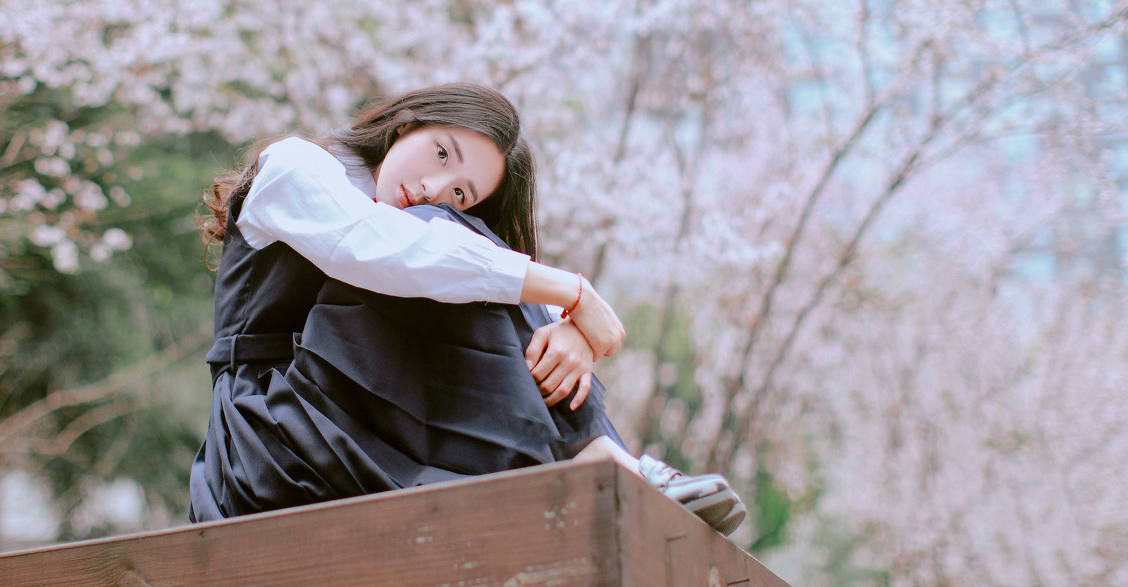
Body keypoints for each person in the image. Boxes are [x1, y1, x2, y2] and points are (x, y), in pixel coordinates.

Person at [189, 83, 745, 535]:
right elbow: (379, 249)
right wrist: (570, 293)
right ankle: (614, 472)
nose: (433, 187)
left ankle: (611, 473)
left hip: (355, 429)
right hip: (266, 444)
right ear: (406, 123)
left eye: (461, 194)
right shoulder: (296, 166)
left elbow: (469, 275)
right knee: (437, 244)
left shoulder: (424, 228)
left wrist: (570, 334)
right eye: (441, 154)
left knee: (457, 258)